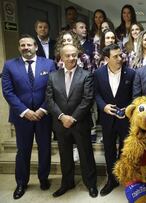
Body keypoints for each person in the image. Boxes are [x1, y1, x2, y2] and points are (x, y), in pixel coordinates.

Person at [2, 34, 56, 200]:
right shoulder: (9, 65)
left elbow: (53, 89)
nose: (26, 48)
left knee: (45, 149)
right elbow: (8, 92)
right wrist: (25, 111)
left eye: (29, 45)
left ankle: (43, 178)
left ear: (36, 47)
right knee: (23, 151)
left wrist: (42, 109)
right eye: (22, 45)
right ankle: (21, 183)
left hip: (43, 116)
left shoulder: (49, 64)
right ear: (19, 48)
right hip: (22, 117)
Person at [46, 44, 98, 198]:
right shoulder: (53, 76)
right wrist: (62, 117)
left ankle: (91, 184)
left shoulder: (86, 75)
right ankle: (67, 183)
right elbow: (49, 100)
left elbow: (87, 99)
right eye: (67, 55)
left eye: (74, 55)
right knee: (65, 155)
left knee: (86, 154)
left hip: (80, 122)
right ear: (61, 58)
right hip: (61, 124)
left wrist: (73, 118)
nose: (71, 58)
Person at [94, 44, 135, 196]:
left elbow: (135, 95)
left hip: (126, 119)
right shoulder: (98, 74)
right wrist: (103, 106)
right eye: (115, 56)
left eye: (120, 55)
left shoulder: (130, 73)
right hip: (107, 119)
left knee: (125, 150)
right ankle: (111, 180)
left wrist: (129, 108)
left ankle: (125, 177)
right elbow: (96, 94)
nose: (120, 58)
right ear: (106, 59)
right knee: (109, 150)